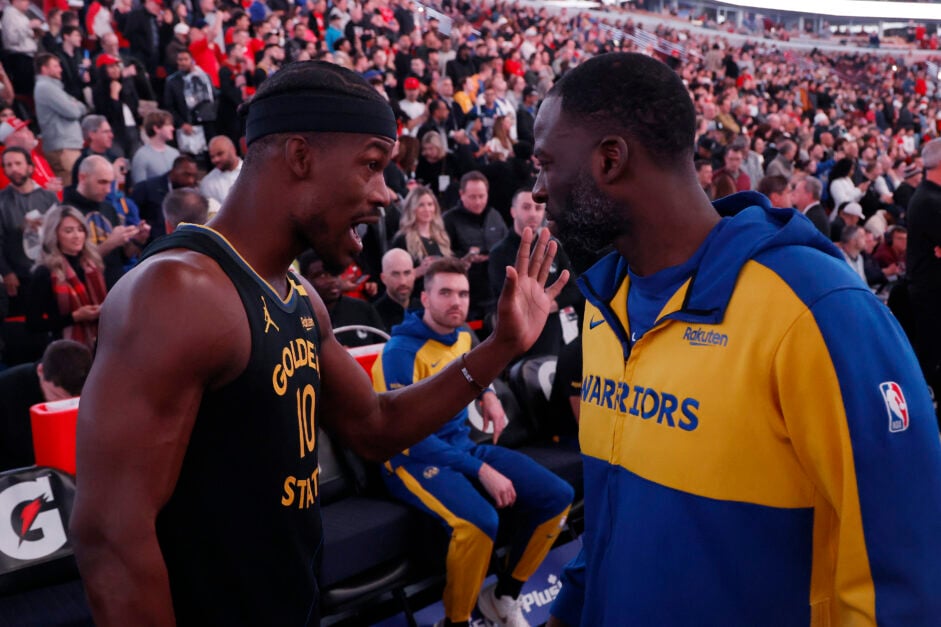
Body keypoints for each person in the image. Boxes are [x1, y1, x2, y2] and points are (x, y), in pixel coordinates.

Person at [70, 61, 567, 627]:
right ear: (301, 157)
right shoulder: (175, 292)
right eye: (372, 165)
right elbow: (111, 537)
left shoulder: (300, 295)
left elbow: (376, 426)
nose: (386, 192)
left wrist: (502, 345)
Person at [531, 52, 941, 627]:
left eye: (546, 163)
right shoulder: (607, 304)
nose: (538, 189)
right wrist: (570, 610)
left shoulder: (818, 308)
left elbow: (902, 577)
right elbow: (614, 512)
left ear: (609, 160)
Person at [372, 257, 574, 627]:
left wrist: (489, 394)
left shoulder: (464, 334)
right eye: (446, 293)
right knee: (479, 523)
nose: (457, 302)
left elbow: (477, 367)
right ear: (425, 298)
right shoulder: (399, 352)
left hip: (459, 447)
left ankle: (504, 596)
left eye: (463, 294)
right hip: (411, 456)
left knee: (557, 496)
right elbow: (402, 435)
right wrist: (479, 469)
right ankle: (456, 621)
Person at [488, 189, 581, 359]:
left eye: (538, 208)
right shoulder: (498, 253)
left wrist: (546, 305)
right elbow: (502, 297)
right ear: (513, 211)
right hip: (515, 343)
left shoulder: (553, 248)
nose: (532, 213)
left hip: (551, 340)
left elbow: (574, 290)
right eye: (526, 207)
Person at [0, 339, 92, 472]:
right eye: (57, 397)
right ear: (40, 371)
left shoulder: (95, 388)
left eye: (74, 400)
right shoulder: (6, 391)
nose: (64, 406)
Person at [24, 205, 107, 350]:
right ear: (54, 235)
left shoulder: (92, 265)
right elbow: (33, 324)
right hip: (63, 350)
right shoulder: (45, 272)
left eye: (80, 230)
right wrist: (75, 317)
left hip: (101, 344)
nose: (77, 236)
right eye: (69, 231)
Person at [906, 138, 941, 416]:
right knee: (931, 361)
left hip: (931, 292)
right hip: (931, 296)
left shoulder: (930, 197)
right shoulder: (929, 201)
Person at [443, 171, 508, 321]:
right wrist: (464, 258)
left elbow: (505, 245)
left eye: (482, 196)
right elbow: (443, 255)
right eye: (473, 197)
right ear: (461, 194)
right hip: (466, 293)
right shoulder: (449, 220)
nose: (478, 202)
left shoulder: (494, 216)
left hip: (494, 293)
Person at [0, 147, 59, 313]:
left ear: (30, 167)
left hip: (50, 271)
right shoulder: (2, 201)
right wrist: (6, 272)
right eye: (9, 165)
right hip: (19, 276)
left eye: (18, 163)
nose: (14, 169)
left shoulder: (49, 197)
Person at [298, 248, 386, 347]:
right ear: (304, 280)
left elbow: (384, 347)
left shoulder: (363, 309)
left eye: (334, 273)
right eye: (322, 275)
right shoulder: (297, 318)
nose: (331, 280)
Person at [34, 53, 88, 186]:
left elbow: (81, 106)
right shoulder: (45, 87)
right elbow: (73, 111)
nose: (61, 69)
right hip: (63, 148)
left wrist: (76, 105)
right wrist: (75, 105)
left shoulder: (54, 88)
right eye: (56, 66)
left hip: (66, 146)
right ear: (44, 69)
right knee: (71, 185)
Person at [390, 185, 452, 290]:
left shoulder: (441, 236)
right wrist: (418, 271)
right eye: (421, 205)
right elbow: (394, 279)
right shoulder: (402, 239)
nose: (427, 209)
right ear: (412, 209)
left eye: (430, 204)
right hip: (416, 295)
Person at [374, 247, 418, 332]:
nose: (403, 282)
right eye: (395, 274)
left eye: (407, 273)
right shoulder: (374, 316)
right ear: (383, 278)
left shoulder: (426, 310)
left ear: (414, 275)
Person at [131, 110, 181, 184]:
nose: (172, 128)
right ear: (156, 128)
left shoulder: (175, 153)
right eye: (168, 125)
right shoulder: (141, 156)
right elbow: (139, 186)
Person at [199, 136, 243, 204]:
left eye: (220, 154)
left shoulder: (253, 171)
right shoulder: (207, 183)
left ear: (233, 149)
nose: (215, 160)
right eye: (212, 156)